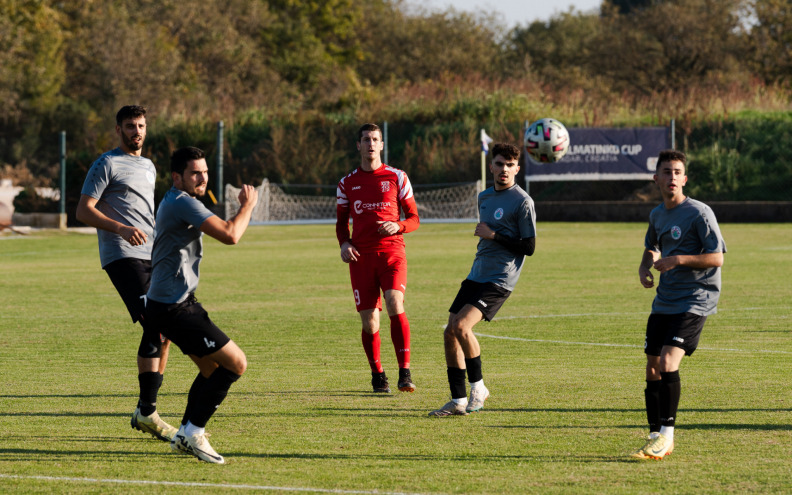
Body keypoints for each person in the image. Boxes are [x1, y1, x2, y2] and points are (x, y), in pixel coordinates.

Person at [143, 146, 257, 464]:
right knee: (236, 363)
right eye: (195, 172)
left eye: (205, 171)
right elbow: (231, 234)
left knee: (211, 369)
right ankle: (193, 433)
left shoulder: (178, 200)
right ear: (176, 176)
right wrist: (248, 206)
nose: (202, 177)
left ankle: (185, 435)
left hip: (171, 304)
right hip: (173, 308)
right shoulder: (182, 202)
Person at [76, 105, 177, 442]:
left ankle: (148, 409)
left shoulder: (148, 165)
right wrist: (120, 228)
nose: (138, 131)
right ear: (118, 129)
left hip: (153, 254)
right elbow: (83, 210)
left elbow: (147, 213)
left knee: (167, 326)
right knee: (155, 321)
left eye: (142, 125)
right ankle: (147, 410)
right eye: (131, 126)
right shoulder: (106, 164)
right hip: (122, 255)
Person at [630, 149, 726, 460]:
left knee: (669, 362)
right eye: (666, 172)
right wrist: (646, 266)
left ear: (684, 179)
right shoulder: (657, 214)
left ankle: (667, 436)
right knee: (653, 366)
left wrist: (678, 260)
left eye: (677, 172)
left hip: (695, 299)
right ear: (655, 178)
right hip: (664, 300)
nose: (672, 177)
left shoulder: (699, 213)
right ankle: (655, 433)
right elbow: (652, 245)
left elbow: (717, 257)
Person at [429, 143, 536, 417]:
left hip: (500, 279)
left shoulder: (523, 201)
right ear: (492, 166)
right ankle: (457, 401)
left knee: (463, 326)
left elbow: (529, 247)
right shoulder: (484, 197)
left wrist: (494, 236)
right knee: (449, 331)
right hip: (476, 274)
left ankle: (479, 388)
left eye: (510, 165)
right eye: (499, 164)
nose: (504, 169)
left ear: (517, 169)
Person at [336, 123, 420, 393]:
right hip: (361, 258)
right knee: (370, 320)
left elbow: (415, 218)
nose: (371, 144)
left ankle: (404, 373)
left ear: (382, 145)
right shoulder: (346, 183)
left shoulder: (398, 177)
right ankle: (377, 374)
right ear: (358, 146)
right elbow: (340, 223)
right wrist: (344, 243)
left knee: (395, 302)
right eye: (365, 139)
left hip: (392, 253)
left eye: (375, 139)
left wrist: (400, 226)